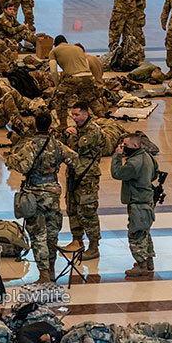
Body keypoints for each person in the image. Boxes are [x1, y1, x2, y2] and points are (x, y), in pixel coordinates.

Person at [5, 112, 78, 284]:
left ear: (35, 126)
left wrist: (11, 159)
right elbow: (74, 159)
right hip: (52, 193)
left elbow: (23, 166)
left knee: (38, 235)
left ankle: (44, 276)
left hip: (34, 195)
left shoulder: (30, 145)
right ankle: (51, 271)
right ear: (50, 126)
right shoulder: (57, 144)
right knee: (52, 234)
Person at [110, 133, 159, 278]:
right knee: (144, 232)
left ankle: (142, 265)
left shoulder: (133, 163)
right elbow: (154, 174)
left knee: (136, 234)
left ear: (135, 146)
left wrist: (117, 156)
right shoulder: (148, 157)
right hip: (147, 199)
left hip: (138, 202)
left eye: (125, 145)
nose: (123, 147)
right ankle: (148, 262)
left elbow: (117, 173)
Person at [63, 102, 105, 260]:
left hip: (87, 177)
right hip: (74, 174)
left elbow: (77, 149)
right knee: (72, 208)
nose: (74, 118)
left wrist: (71, 136)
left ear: (85, 114)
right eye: (72, 115)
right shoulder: (79, 129)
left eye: (77, 115)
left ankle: (94, 246)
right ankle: (77, 240)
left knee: (88, 211)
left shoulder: (92, 130)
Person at [48, 35, 98, 130]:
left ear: (55, 44)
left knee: (60, 101)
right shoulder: (77, 48)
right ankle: (102, 118)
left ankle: (63, 125)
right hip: (88, 76)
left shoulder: (54, 51)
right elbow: (86, 63)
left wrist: (57, 85)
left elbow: (53, 70)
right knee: (91, 99)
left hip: (73, 77)